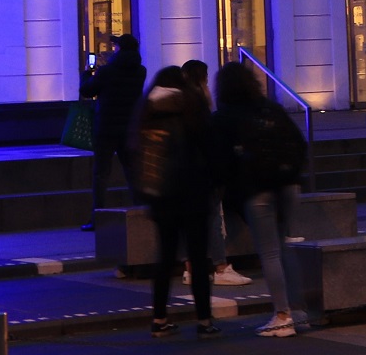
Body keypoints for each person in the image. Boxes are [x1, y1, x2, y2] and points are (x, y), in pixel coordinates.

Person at [213, 62, 311, 336]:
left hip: (257, 190)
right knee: (284, 247)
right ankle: (299, 311)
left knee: (269, 252)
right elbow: (299, 144)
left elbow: (219, 160)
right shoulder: (271, 108)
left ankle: (282, 316)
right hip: (288, 185)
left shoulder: (225, 116)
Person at [131, 67, 220, 338]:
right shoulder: (191, 107)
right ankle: (204, 321)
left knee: (165, 258)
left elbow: (136, 154)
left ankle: (159, 319)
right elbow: (211, 149)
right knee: (198, 258)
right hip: (194, 195)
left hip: (161, 197)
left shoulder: (147, 112)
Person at [179, 60, 250, 287]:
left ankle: (190, 268)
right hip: (203, 170)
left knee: (190, 220)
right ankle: (220, 267)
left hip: (183, 170)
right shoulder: (201, 99)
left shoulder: (177, 99)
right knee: (214, 218)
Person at [77, 34, 145, 231]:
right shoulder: (140, 71)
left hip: (106, 128)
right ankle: (142, 213)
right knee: (132, 173)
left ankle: (97, 218)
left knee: (101, 174)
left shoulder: (107, 71)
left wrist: (87, 74)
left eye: (116, 46)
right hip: (129, 128)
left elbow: (87, 91)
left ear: (120, 49)